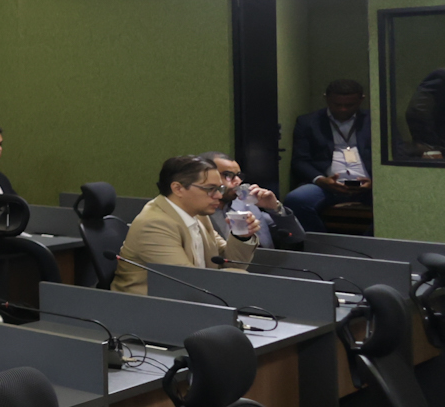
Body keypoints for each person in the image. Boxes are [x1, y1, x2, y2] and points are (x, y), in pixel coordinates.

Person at [111, 155, 257, 295]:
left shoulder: (198, 214)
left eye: (220, 189)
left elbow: (228, 263)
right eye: (210, 189)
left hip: (189, 298)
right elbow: (187, 281)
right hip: (147, 305)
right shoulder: (154, 224)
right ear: (178, 189)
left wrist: (241, 236)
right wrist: (241, 278)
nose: (219, 195)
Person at [286, 80, 371, 232]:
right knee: (296, 200)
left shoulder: (377, 120)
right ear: (326, 98)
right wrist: (321, 180)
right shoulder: (308, 122)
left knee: (398, 200)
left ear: (361, 100)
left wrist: (376, 183)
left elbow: (396, 154)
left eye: (349, 105)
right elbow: (300, 161)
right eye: (337, 104)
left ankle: (367, 244)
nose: (343, 109)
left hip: (369, 186)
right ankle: (321, 244)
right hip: (327, 185)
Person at [203, 151, 299, 249]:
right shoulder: (199, 212)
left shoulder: (245, 203)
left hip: (268, 257)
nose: (238, 181)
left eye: (239, 175)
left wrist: (275, 208)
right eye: (227, 175)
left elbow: (295, 237)